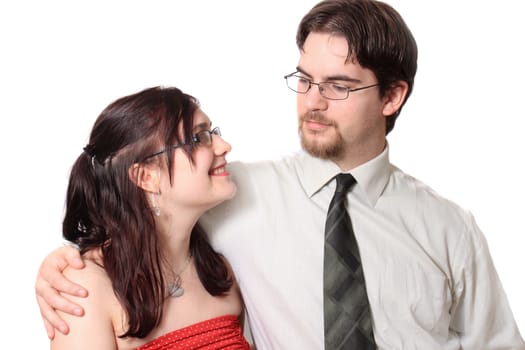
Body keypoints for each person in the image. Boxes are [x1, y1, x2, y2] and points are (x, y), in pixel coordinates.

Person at [36, 0, 524, 349]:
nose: (312, 101)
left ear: (392, 97)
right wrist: (60, 266)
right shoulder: (232, 194)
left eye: (338, 85)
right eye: (305, 79)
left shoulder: (450, 229)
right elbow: (139, 216)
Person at [46, 86, 251, 349]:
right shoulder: (83, 288)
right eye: (199, 138)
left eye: (212, 133)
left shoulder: (221, 272)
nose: (224, 146)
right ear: (146, 177)